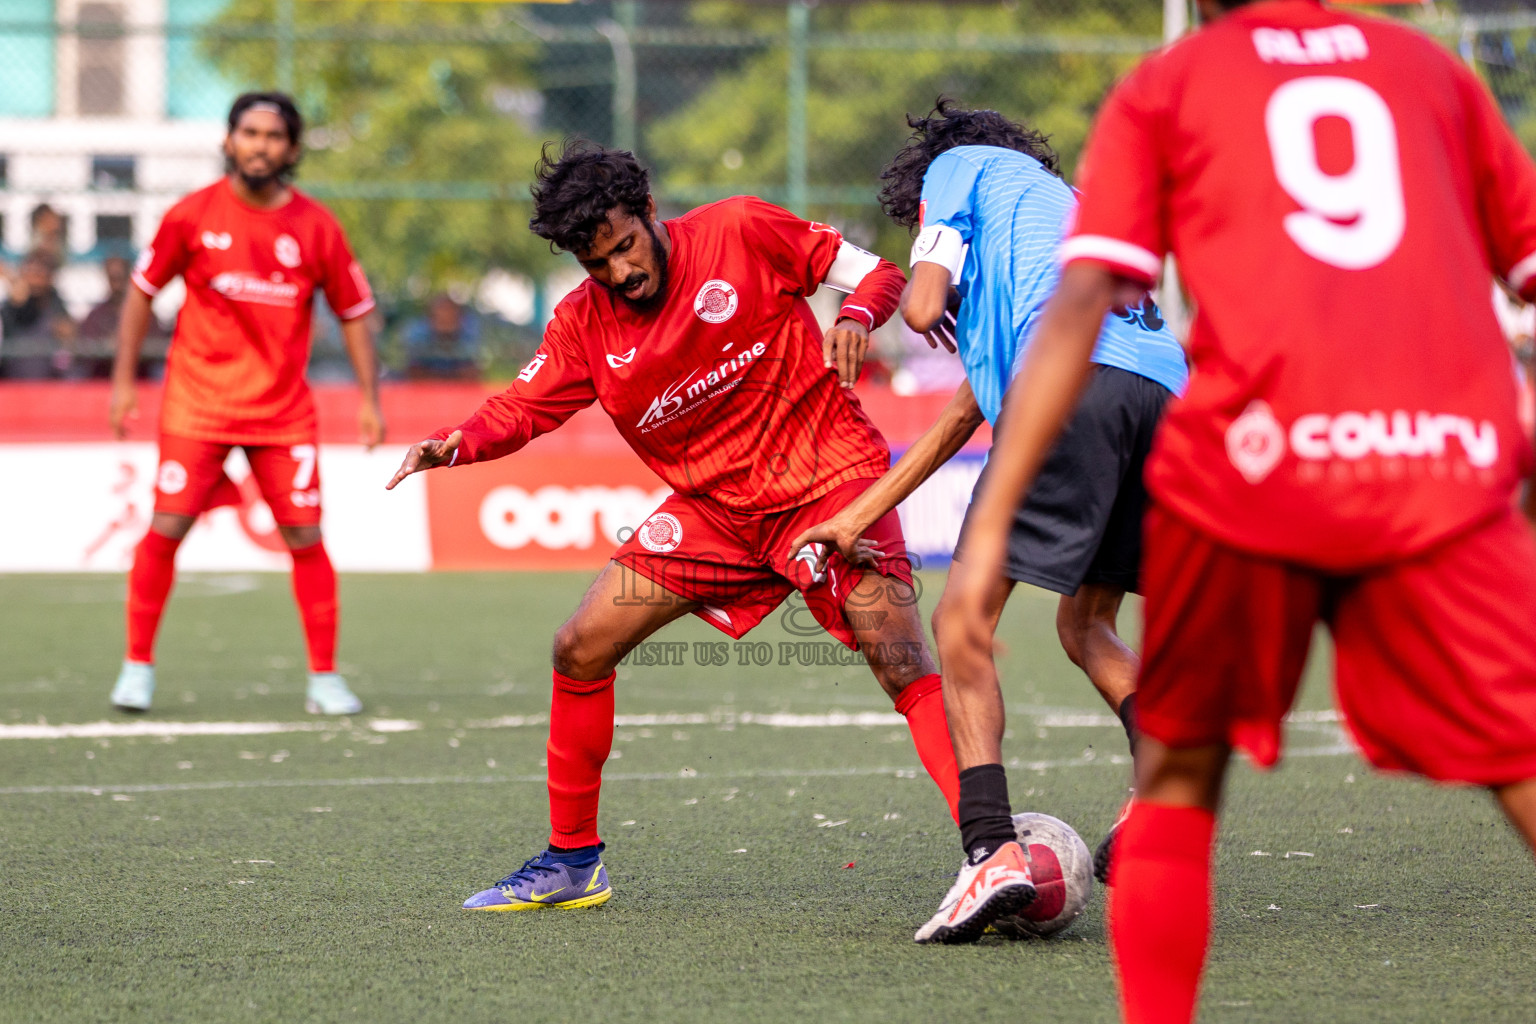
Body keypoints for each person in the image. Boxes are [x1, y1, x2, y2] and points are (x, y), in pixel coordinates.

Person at [946, 0, 1536, 1017]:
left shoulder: (1168, 88)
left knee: (1175, 783)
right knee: (1519, 753)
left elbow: (1080, 304)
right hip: (1438, 458)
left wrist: (995, 510)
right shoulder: (1428, 70)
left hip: (1255, 468)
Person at [387, 139, 964, 913]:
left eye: (626, 246)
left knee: (898, 657)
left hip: (828, 479)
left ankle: (990, 845)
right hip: (717, 515)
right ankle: (571, 862)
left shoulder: (741, 229)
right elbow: (522, 406)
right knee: (580, 645)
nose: (621, 272)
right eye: (598, 264)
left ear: (651, 212)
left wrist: (858, 313)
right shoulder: (583, 323)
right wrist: (457, 444)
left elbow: (880, 275)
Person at [790, 100, 1188, 943]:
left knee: (960, 620)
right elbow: (964, 415)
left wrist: (928, 299)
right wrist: (857, 514)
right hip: (1163, 395)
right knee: (1087, 625)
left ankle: (989, 852)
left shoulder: (956, 169)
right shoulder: (1064, 209)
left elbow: (923, 297)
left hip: (1070, 380)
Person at [108, 91, 385, 716]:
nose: (260, 145)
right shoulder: (190, 215)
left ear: (292, 148)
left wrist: (370, 398)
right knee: (166, 529)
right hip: (196, 405)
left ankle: (323, 679)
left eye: (273, 135)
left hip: (282, 413)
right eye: (249, 133)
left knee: (306, 536)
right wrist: (124, 383)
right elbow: (140, 293)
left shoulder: (316, 227)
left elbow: (356, 313)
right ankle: (137, 667)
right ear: (229, 141)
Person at [79, 255, 168, 378]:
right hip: (102, 381)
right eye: (112, 278)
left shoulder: (145, 313)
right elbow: (84, 347)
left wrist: (128, 345)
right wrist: (105, 347)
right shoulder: (95, 316)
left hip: (138, 381)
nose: (116, 284)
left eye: (119, 278)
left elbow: (156, 346)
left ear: (127, 277)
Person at [0, 251, 77, 379]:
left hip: (48, 389)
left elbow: (70, 352)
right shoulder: (9, 308)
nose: (34, 280)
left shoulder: (57, 308)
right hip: (11, 388)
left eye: (39, 273)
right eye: (29, 273)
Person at [403, 294, 482, 380]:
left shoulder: (468, 334)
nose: (445, 316)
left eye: (450, 312)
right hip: (426, 385)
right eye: (441, 312)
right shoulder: (418, 334)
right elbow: (414, 369)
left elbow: (471, 369)